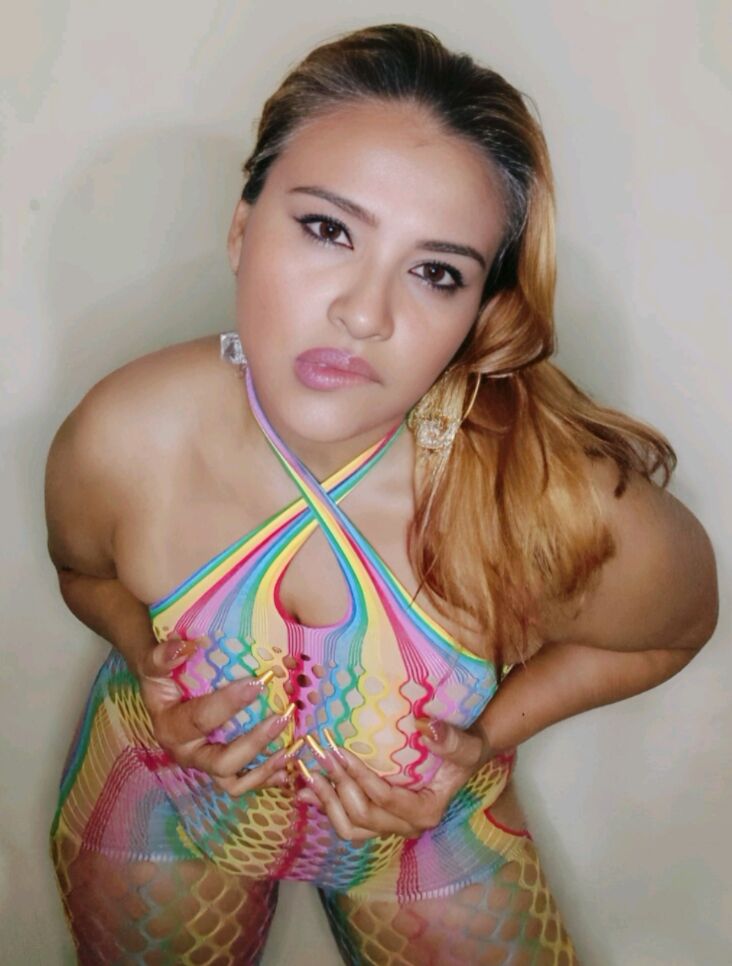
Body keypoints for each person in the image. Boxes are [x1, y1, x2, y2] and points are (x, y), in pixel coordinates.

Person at [44, 22, 718, 966]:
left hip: (423, 846)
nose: (364, 313)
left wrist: (483, 741)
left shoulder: (548, 500)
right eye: (327, 229)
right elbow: (82, 573)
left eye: (436, 272)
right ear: (241, 228)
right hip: (158, 813)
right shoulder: (122, 437)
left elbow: (671, 632)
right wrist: (141, 656)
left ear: (479, 313)